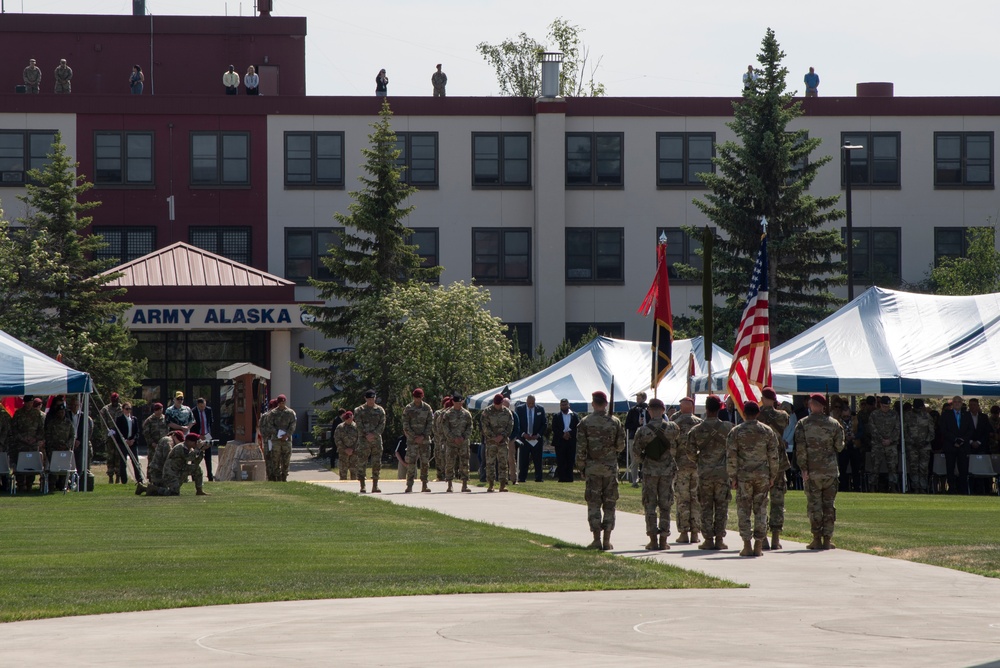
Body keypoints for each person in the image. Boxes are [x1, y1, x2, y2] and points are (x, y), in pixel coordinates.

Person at [726, 401, 779, 557]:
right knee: (761, 510)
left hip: (744, 476)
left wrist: (732, 477)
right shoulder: (767, 431)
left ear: (744, 413)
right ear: (757, 413)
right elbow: (773, 457)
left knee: (744, 510)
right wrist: (772, 476)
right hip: (762, 476)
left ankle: (747, 544)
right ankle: (758, 544)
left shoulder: (736, 432)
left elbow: (731, 457)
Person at [795, 393, 846, 549]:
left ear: (811, 404)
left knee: (814, 506)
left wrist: (803, 468)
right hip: (830, 471)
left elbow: (801, 449)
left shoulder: (803, 424)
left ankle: (816, 538)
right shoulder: (834, 424)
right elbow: (840, 446)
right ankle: (827, 539)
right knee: (829, 506)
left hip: (813, 471)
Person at [577, 391, 625, 550]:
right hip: (610, 469)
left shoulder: (585, 422)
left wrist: (581, 467)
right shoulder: (615, 422)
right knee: (610, 504)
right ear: (605, 404)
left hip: (592, 468)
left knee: (594, 504)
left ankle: (596, 539)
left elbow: (581, 448)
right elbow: (620, 446)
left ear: (593, 403)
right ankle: (607, 540)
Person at [632, 398, 679, 550]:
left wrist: (647, 459)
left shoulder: (642, 431)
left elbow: (636, 454)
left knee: (650, 505)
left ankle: (653, 540)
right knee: (666, 505)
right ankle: (664, 540)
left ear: (650, 411)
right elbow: (677, 448)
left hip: (650, 472)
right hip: (667, 472)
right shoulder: (673, 428)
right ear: (664, 410)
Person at [689, 395, 734, 550]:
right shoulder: (728, 428)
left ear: (706, 409)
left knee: (706, 507)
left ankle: (708, 540)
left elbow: (690, 452)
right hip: (723, 473)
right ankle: (720, 539)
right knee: (722, 507)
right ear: (720, 408)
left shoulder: (697, 430)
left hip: (705, 473)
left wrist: (701, 461)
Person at [758, 387, 790, 550]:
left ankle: (762, 538)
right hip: (779, 462)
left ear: (763, 398)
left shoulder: (757, 415)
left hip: (762, 462)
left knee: (761, 501)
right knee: (778, 501)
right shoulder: (783, 415)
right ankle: (776, 538)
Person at [671, 396, 703, 544]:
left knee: (682, 500)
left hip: (681, 467)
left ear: (681, 407)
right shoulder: (700, 424)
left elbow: (671, 449)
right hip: (697, 467)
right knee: (696, 499)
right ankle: (695, 533)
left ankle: (684, 533)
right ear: (692, 407)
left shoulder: (675, 425)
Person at [137, 432, 210, 496]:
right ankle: (152, 489)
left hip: (180, 470)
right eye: (195, 442)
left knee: (197, 469)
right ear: (188, 441)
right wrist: (198, 449)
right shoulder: (180, 447)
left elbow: (196, 462)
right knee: (174, 493)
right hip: (171, 472)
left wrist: (201, 451)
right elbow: (189, 458)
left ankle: (199, 490)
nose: (196, 443)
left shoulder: (189, 449)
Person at [402, 388, 434, 493]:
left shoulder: (427, 408)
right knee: (411, 463)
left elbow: (430, 423)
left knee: (425, 463)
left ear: (422, 397)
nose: (417, 399)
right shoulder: (409, 408)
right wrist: (414, 436)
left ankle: (424, 484)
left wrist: (423, 436)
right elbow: (405, 424)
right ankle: (409, 485)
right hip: (412, 441)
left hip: (424, 440)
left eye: (419, 397)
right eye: (415, 397)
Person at [481, 394, 514, 492]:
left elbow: (510, 425)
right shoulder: (487, 412)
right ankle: (491, 484)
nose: (497, 406)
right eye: (496, 404)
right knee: (490, 463)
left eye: (499, 404)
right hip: (491, 442)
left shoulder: (507, 412)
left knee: (503, 463)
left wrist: (502, 436)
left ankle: (502, 485)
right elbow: (485, 426)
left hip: (503, 442)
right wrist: (493, 437)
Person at [353, 390, 385, 492]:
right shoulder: (359, 410)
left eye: (373, 398)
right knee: (362, 462)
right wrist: (367, 435)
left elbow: (382, 424)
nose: (371, 401)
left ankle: (375, 485)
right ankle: (362, 485)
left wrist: (374, 434)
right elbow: (358, 424)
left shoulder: (380, 410)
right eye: (369, 399)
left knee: (376, 463)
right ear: (365, 399)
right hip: (364, 440)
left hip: (376, 440)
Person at [12, 397, 45, 492]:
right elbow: (14, 429)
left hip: (33, 444)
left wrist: (36, 439)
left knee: (32, 464)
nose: (29, 404)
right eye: (27, 402)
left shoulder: (37, 414)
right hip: (21, 444)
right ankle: (21, 485)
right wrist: (22, 438)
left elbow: (41, 429)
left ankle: (29, 484)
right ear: (24, 403)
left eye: (31, 402)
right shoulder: (18, 413)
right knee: (20, 463)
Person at [868, 396, 901, 492]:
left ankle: (893, 486)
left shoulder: (894, 414)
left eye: (888, 406)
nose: (886, 408)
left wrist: (890, 440)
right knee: (875, 467)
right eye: (884, 406)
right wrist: (881, 439)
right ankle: (873, 486)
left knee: (893, 467)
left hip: (891, 445)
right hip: (877, 444)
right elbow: (872, 428)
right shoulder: (874, 414)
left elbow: (897, 429)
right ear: (880, 405)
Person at [442, 392, 473, 492]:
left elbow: (470, 427)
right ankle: (449, 484)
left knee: (464, 463)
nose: (459, 405)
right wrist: (453, 438)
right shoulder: (448, 414)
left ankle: (464, 485)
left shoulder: (466, 414)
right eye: (457, 403)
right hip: (451, 443)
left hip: (463, 443)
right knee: (450, 463)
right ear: (453, 402)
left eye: (461, 403)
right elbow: (445, 428)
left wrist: (463, 437)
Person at [904, 399, 935, 493]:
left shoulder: (927, 416)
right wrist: (912, 442)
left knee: (924, 468)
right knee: (913, 467)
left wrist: (925, 442)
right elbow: (904, 431)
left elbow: (932, 432)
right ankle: (915, 487)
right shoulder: (908, 416)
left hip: (924, 447)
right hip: (912, 446)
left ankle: (923, 487)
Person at [515, 394, 547, 483]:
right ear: (526, 401)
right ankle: (522, 478)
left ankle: (538, 477)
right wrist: (523, 434)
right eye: (529, 403)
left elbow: (544, 424)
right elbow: (517, 424)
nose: (531, 405)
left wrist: (538, 435)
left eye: (532, 403)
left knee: (537, 459)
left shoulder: (540, 409)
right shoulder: (520, 409)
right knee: (523, 459)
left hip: (536, 439)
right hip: (524, 439)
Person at [140, 430, 183, 495]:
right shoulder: (168, 441)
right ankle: (147, 488)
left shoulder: (166, 440)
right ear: (174, 436)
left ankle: (143, 488)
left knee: (161, 491)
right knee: (168, 492)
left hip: (158, 469)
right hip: (158, 470)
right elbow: (167, 456)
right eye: (179, 440)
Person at [43, 400, 75, 490]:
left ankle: (63, 486)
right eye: (60, 412)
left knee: (64, 468)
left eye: (63, 412)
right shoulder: (52, 423)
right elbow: (48, 436)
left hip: (65, 449)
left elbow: (72, 436)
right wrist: (55, 446)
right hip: (53, 449)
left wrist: (67, 445)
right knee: (54, 469)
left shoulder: (68, 423)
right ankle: (51, 486)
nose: (62, 413)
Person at [269, 394, 298, 482]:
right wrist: (277, 433)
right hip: (276, 440)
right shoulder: (273, 413)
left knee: (286, 459)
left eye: (283, 402)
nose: (282, 404)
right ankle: (277, 477)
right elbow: (270, 425)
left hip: (287, 440)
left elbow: (293, 424)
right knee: (275, 459)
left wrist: (287, 434)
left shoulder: (290, 413)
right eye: (280, 402)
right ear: (278, 403)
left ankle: (284, 476)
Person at [624, 392, 650, 487]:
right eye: (637, 398)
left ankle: (644, 479)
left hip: (647, 436)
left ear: (644, 399)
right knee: (634, 458)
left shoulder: (649, 410)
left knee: (647, 458)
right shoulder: (633, 411)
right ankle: (634, 480)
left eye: (639, 398)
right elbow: (627, 425)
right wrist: (637, 423)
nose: (637, 400)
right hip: (634, 436)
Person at [114, 402, 143, 484]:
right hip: (123, 443)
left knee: (135, 462)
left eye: (129, 409)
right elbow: (118, 432)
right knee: (123, 463)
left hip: (132, 443)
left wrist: (133, 440)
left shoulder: (134, 419)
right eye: (126, 409)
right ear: (123, 409)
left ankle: (139, 479)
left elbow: (137, 432)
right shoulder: (119, 419)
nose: (128, 410)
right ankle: (124, 481)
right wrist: (125, 440)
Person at [334, 411, 363, 491]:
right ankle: (343, 489)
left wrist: (352, 449)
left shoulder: (357, 427)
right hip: (343, 453)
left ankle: (354, 489)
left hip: (354, 453)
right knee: (343, 472)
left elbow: (360, 439)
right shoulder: (340, 427)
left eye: (350, 418)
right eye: (347, 419)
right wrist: (345, 449)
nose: (349, 420)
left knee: (354, 472)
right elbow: (337, 439)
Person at [552, 398, 579, 482]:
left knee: (570, 460)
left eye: (565, 405)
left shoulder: (574, 415)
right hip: (560, 441)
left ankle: (570, 478)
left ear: (568, 405)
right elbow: (554, 428)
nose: (564, 406)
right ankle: (562, 478)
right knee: (561, 460)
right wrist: (562, 434)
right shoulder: (556, 416)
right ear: (560, 406)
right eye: (562, 405)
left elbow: (578, 427)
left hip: (571, 441)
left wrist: (569, 434)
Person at [101, 392, 125, 484]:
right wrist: (108, 432)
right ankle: (110, 476)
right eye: (113, 401)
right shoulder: (106, 409)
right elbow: (103, 423)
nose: (115, 402)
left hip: (119, 436)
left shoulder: (122, 408)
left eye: (116, 400)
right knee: (110, 457)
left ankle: (118, 476)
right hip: (110, 436)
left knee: (119, 456)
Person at [142, 403, 169, 481]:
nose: (160, 411)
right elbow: (146, 433)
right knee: (152, 461)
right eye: (158, 410)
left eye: (161, 409)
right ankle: (150, 478)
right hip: (153, 446)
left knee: (163, 461)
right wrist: (151, 443)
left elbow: (168, 430)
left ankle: (162, 478)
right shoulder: (149, 420)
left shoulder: (165, 418)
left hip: (163, 445)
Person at [192, 397, 215, 482]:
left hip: (207, 435)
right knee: (195, 455)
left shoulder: (208, 410)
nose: (203, 408)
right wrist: (199, 435)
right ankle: (194, 477)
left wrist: (207, 434)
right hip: (197, 436)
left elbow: (210, 422)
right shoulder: (193, 412)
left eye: (204, 406)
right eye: (201, 406)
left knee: (208, 456)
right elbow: (192, 426)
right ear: (197, 405)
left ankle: (210, 476)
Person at [432, 396, 452, 482]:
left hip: (449, 440)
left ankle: (448, 474)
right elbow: (434, 427)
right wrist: (439, 438)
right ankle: (440, 475)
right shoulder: (438, 413)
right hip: (439, 440)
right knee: (439, 457)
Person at [258, 399, 278, 481]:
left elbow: (261, 429)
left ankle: (271, 477)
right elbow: (261, 429)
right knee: (272, 460)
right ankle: (272, 477)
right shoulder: (267, 416)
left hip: (270, 441)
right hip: (270, 441)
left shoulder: (266, 416)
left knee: (271, 460)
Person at [504, 397, 519, 485]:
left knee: (511, 459)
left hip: (510, 440)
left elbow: (516, 428)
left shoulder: (514, 414)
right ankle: (503, 479)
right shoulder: (499, 414)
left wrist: (510, 438)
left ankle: (514, 479)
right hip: (501, 440)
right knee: (502, 460)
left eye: (507, 406)